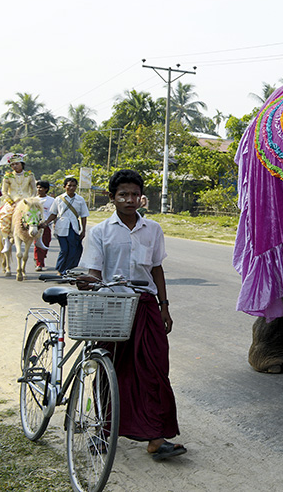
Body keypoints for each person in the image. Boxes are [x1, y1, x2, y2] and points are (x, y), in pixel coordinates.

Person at [79, 169, 185, 461]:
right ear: (111, 197)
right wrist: (86, 281)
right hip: (110, 307)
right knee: (108, 368)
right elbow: (93, 272)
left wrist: (164, 306)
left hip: (146, 305)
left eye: (134, 194)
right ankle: (102, 430)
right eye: (122, 194)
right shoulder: (100, 231)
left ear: (142, 198)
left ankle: (155, 437)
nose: (129, 199)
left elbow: (156, 269)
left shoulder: (153, 229)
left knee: (155, 370)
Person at [45, 176, 89, 273]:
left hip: (73, 227)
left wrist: (83, 230)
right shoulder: (59, 199)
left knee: (74, 249)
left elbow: (84, 215)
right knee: (64, 249)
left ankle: (67, 269)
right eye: (69, 185)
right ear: (65, 186)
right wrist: (46, 223)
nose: (71, 188)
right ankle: (60, 269)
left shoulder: (80, 199)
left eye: (74, 186)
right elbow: (53, 213)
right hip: (61, 226)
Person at [32, 180, 55, 271]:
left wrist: (48, 223)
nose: (38, 189)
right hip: (36, 226)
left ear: (46, 189)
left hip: (46, 225)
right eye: (37, 187)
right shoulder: (33, 200)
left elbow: (54, 213)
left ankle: (41, 257)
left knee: (46, 243)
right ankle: (39, 263)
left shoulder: (52, 200)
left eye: (41, 187)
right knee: (37, 244)